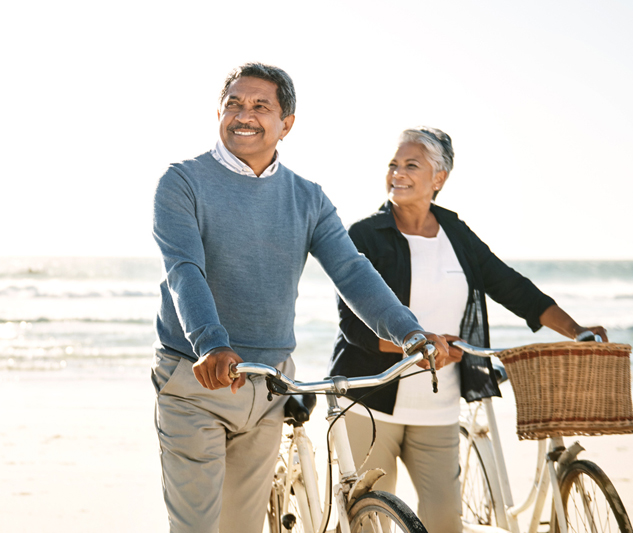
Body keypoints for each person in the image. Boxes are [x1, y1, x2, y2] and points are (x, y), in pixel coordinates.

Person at [150, 64, 451, 533]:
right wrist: (210, 343)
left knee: (242, 528)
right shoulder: (182, 182)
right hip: (196, 379)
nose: (244, 115)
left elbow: (352, 272)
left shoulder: (307, 198)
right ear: (219, 112)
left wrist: (409, 331)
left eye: (260, 106)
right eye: (234, 103)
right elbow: (184, 269)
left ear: (286, 123)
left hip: (270, 384)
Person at [328, 127, 608, 533]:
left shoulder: (455, 233)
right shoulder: (364, 235)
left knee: (445, 523)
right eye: (393, 165)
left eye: (411, 165)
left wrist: (575, 328)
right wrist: (419, 347)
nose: (397, 173)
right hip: (370, 402)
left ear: (438, 178)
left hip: (438, 409)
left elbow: (510, 286)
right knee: (368, 524)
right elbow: (353, 326)